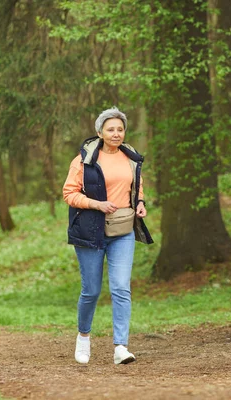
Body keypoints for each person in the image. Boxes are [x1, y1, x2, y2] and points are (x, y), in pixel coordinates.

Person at [63, 107, 153, 365]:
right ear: (99, 132)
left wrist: (140, 202)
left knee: (121, 288)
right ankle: (83, 337)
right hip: (90, 230)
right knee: (91, 291)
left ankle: (120, 347)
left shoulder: (131, 157)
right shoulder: (84, 159)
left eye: (120, 129)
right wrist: (97, 204)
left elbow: (137, 185)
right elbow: (69, 194)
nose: (116, 133)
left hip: (122, 230)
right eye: (110, 129)